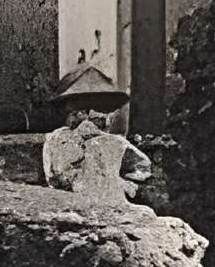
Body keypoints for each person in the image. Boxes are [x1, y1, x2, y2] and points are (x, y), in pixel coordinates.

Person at [39, 61, 153, 205]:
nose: (101, 117)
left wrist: (123, 183)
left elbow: (141, 168)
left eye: (103, 109)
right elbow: (58, 177)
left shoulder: (115, 143)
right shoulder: (58, 139)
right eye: (81, 110)